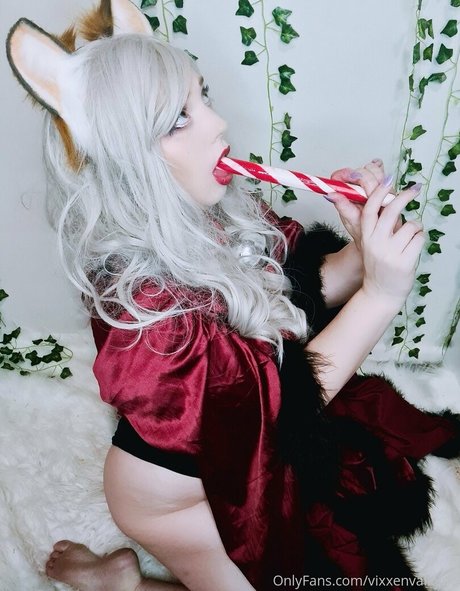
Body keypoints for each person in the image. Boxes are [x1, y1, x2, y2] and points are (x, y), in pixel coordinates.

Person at [6, 1, 460, 589]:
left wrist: (359, 252)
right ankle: (121, 582)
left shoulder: (212, 215)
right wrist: (380, 294)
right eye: (178, 119)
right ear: (125, 161)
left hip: (247, 452)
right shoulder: (146, 309)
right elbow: (280, 406)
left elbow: (291, 297)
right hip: (172, 497)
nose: (217, 123)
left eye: (203, 97)